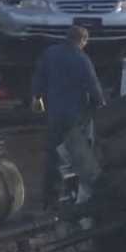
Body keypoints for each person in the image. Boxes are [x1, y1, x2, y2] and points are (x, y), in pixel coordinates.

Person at [31, 25, 105, 208]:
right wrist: (99, 105)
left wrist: (37, 97)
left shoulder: (50, 53)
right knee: (80, 156)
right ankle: (81, 196)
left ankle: (49, 198)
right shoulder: (82, 59)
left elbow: (39, 78)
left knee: (54, 155)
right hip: (75, 118)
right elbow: (93, 87)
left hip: (54, 113)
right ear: (82, 40)